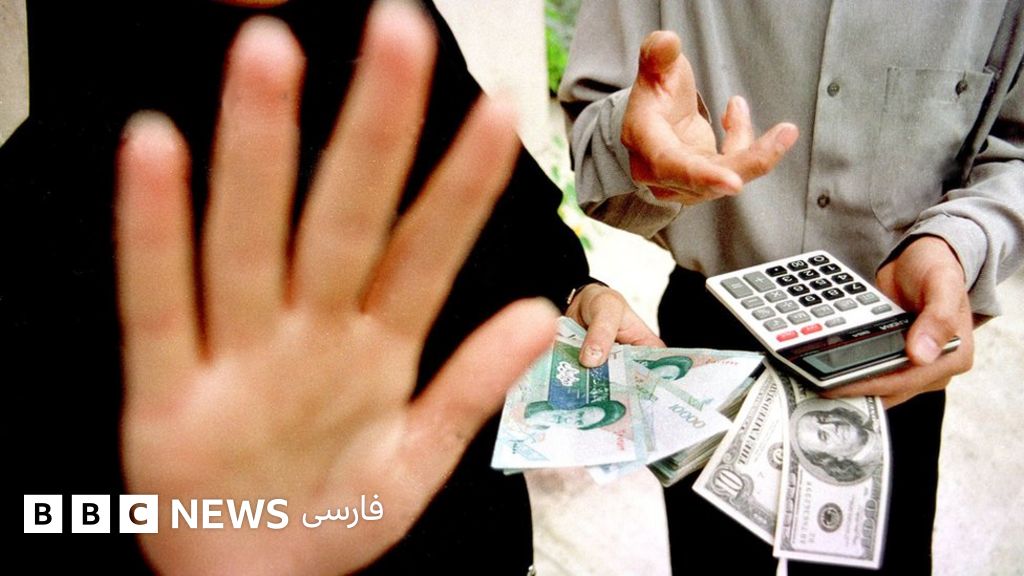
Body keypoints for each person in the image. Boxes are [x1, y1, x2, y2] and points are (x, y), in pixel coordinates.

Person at [5, 0, 662, 573]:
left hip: (457, 528)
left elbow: (502, 225)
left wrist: (575, 294)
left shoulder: (387, 28)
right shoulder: (69, 167)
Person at [559, 1, 1024, 574]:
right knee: (710, 562)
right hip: (711, 329)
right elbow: (593, 132)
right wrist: (641, 152)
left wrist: (959, 240)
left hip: (891, 343)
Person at [792, 401, 884, 485]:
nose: (832, 425)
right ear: (833, 458)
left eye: (823, 419)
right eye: (824, 436)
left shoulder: (880, 415)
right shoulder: (873, 468)